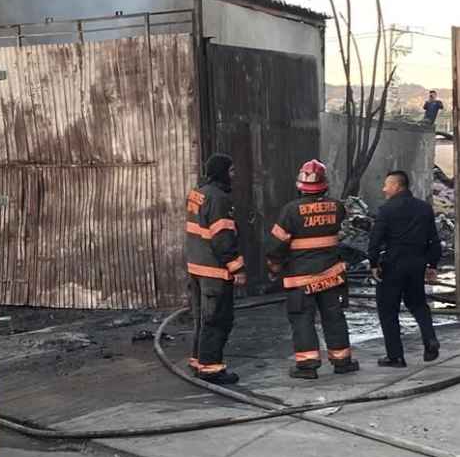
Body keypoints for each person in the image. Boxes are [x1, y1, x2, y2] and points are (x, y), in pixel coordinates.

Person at [266, 160, 356, 380]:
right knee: (334, 317)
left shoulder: (290, 211)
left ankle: (307, 367)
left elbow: (277, 245)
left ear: (300, 185)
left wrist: (274, 266)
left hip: (300, 279)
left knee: (302, 319)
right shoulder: (337, 207)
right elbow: (346, 236)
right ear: (324, 185)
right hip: (331, 276)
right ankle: (342, 361)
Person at [368, 170, 441, 367]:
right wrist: (432, 264)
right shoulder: (424, 208)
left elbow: (375, 240)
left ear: (397, 186)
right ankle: (430, 339)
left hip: (392, 265)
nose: (384, 189)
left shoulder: (386, 210)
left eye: (387, 185)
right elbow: (434, 239)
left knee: (388, 310)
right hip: (417, 264)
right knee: (418, 304)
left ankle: (396, 356)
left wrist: (373, 263)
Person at [185, 152, 246, 385]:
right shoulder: (219, 199)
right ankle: (211, 368)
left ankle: (198, 359)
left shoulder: (198, 193)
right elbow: (222, 238)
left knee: (202, 318)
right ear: (222, 172)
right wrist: (237, 268)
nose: (234, 175)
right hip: (214, 271)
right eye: (231, 170)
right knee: (217, 319)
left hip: (197, 267)